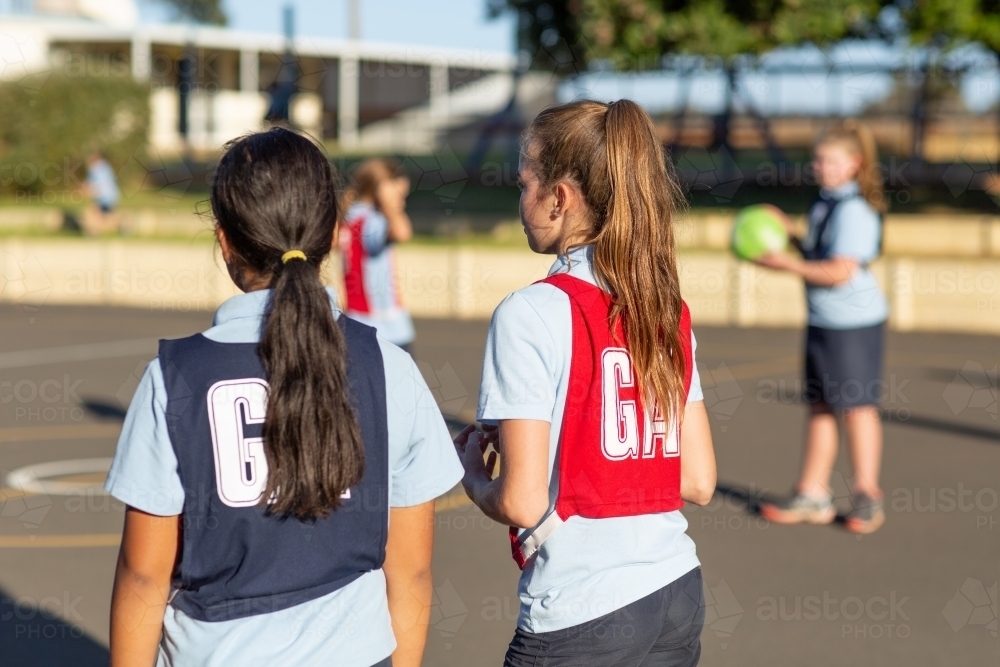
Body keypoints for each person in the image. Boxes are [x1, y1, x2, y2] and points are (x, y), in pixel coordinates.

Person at [105, 128, 463, 667]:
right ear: (332, 233)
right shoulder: (390, 367)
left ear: (224, 241)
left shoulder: (173, 379)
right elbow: (409, 570)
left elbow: (143, 578)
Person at [455, 100, 717, 667]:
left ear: (560, 197)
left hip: (584, 608)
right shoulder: (665, 310)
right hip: (675, 588)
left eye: (525, 183)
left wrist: (474, 479)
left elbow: (524, 502)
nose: (521, 200)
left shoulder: (531, 312)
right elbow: (697, 480)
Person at [756, 119, 888, 534]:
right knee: (820, 407)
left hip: (853, 325)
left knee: (857, 408)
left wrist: (786, 264)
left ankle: (868, 496)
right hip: (823, 322)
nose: (822, 168)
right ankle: (812, 493)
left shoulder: (855, 210)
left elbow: (839, 271)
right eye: (818, 160)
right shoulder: (824, 203)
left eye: (831, 161)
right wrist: (790, 236)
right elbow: (819, 253)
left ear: (854, 163)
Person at [339, 159, 415, 353]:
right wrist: (391, 206)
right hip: (386, 329)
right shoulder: (372, 223)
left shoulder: (350, 218)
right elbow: (402, 233)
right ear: (379, 190)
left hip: (356, 322)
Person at [82, 151, 121, 235]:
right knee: (106, 215)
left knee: (92, 213)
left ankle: (93, 231)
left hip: (103, 197)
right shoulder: (105, 167)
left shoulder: (95, 169)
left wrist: (86, 190)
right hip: (112, 196)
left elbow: (94, 186)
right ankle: (121, 224)